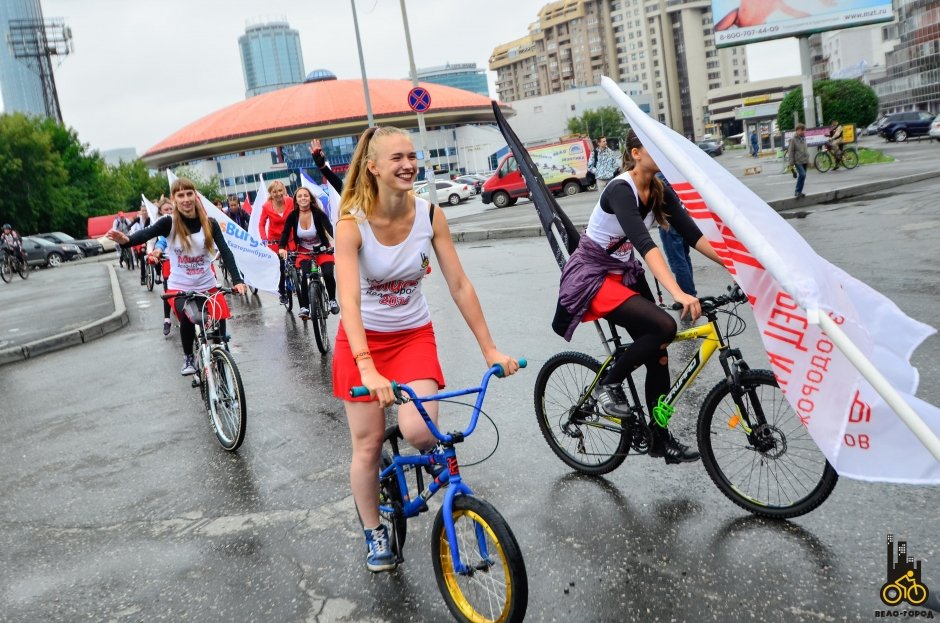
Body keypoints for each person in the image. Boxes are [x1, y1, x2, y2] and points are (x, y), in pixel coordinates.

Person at [333, 126, 518, 572]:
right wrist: (368, 368)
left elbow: (458, 284)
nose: (408, 164)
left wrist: (490, 349)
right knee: (368, 443)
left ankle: (436, 475)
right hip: (363, 342)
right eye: (396, 157)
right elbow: (349, 301)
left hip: (413, 334)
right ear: (373, 166)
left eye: (412, 156)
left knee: (420, 431)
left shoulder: (430, 215)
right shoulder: (351, 223)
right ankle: (374, 529)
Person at [555, 130, 724, 464]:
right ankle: (608, 384)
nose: (663, 154)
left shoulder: (659, 189)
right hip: (593, 275)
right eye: (654, 148)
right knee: (664, 327)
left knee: (658, 354)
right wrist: (677, 292)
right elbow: (644, 244)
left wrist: (739, 265)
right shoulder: (620, 189)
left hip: (623, 273)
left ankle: (659, 439)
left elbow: (692, 235)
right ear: (636, 153)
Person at [107, 178, 247, 374]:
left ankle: (221, 359)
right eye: (181, 195)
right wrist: (127, 240)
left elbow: (225, 251)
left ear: (195, 196)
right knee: (191, 317)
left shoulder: (210, 223)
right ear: (174, 199)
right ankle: (189, 357)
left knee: (219, 332)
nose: (186, 199)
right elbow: (146, 234)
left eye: (189, 194)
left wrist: (238, 280)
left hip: (208, 285)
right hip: (181, 288)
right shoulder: (168, 223)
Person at [278, 187, 338, 319]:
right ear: (296, 200)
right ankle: (304, 307)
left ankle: (332, 299)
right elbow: (285, 232)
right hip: (304, 251)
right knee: (305, 275)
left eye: (306, 195)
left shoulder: (318, 213)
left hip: (321, 249)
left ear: (310, 198)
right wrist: (281, 247)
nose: (303, 198)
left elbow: (330, 228)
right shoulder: (293, 216)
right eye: (300, 196)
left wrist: (338, 243)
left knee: (327, 273)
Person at [656, 175, 696, 308]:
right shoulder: (671, 167)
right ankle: (690, 293)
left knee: (678, 262)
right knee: (684, 258)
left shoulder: (658, 174)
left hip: (669, 221)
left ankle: (687, 295)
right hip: (682, 217)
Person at [259, 180, 294, 304]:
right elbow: (261, 224)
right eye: (274, 192)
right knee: (281, 266)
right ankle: (282, 292)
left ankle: (296, 278)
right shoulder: (266, 206)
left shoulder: (290, 201)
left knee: (295, 261)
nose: (278, 194)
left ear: (284, 190)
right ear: (271, 193)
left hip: (290, 237)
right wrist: (264, 238)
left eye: (280, 190)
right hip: (275, 241)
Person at [148, 199, 175, 336]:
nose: (169, 212)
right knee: (168, 292)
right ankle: (167, 319)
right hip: (167, 262)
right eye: (166, 210)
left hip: (182, 263)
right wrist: (154, 253)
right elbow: (155, 242)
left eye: (171, 209)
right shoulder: (158, 225)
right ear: (160, 212)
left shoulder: (178, 222)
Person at [787, 123, 809, 199]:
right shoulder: (793, 140)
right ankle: (797, 191)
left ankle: (799, 192)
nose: (803, 132)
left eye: (803, 130)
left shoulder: (804, 138)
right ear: (797, 131)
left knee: (803, 176)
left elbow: (805, 149)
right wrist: (791, 164)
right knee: (802, 175)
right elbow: (791, 152)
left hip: (805, 160)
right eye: (801, 130)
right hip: (798, 161)